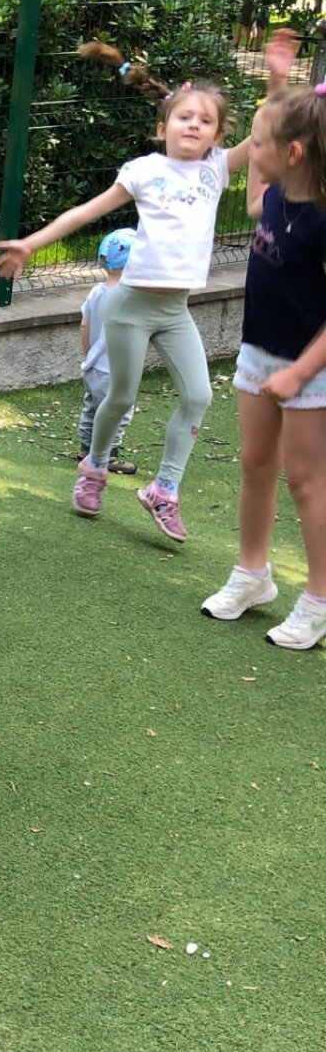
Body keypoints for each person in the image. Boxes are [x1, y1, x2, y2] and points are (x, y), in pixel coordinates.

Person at [0, 34, 299, 540]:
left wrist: (277, 79)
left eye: (205, 121)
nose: (194, 125)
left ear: (217, 135)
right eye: (185, 117)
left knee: (198, 396)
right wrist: (31, 243)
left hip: (176, 311)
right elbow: (85, 211)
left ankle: (165, 489)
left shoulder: (217, 169)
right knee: (120, 396)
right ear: (162, 128)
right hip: (129, 308)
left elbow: (269, 127)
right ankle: (94, 466)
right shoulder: (143, 171)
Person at [202, 72, 326, 648]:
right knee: (255, 465)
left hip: (311, 369)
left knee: (306, 481)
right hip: (259, 352)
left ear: (293, 153)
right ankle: (253, 574)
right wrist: (277, 88)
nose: (249, 151)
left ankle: (319, 600)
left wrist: (299, 372)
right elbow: (253, 198)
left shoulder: (322, 220)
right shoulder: (275, 196)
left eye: (257, 143)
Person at [79, 228, 138, 474]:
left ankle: (85, 448)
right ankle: (108, 455)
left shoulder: (96, 292)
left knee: (92, 406)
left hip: (93, 365)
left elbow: (85, 325)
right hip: (115, 369)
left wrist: (89, 353)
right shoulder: (129, 297)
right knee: (119, 410)